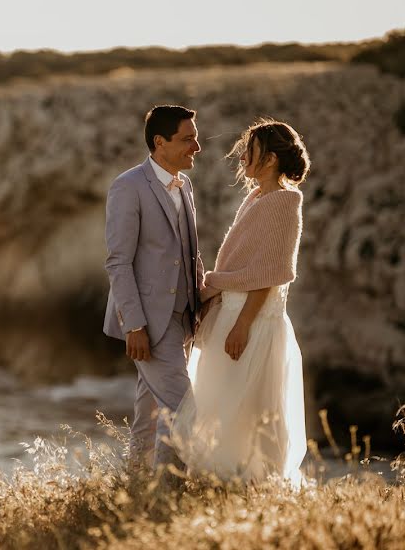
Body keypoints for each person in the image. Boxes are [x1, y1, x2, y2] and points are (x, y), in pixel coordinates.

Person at [172, 119, 311, 486]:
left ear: (270, 159)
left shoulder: (285, 200)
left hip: (253, 321)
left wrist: (243, 326)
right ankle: (219, 486)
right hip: (232, 313)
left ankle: (249, 487)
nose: (243, 156)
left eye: (251, 150)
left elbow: (270, 272)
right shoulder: (257, 196)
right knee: (217, 407)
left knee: (247, 409)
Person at [103, 105, 205, 472]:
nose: (197, 146)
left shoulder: (185, 184)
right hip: (148, 321)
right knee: (184, 410)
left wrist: (202, 302)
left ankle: (135, 486)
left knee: (148, 413)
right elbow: (118, 261)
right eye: (188, 139)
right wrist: (134, 325)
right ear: (160, 142)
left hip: (183, 318)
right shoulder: (128, 186)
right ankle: (168, 494)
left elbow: (188, 252)